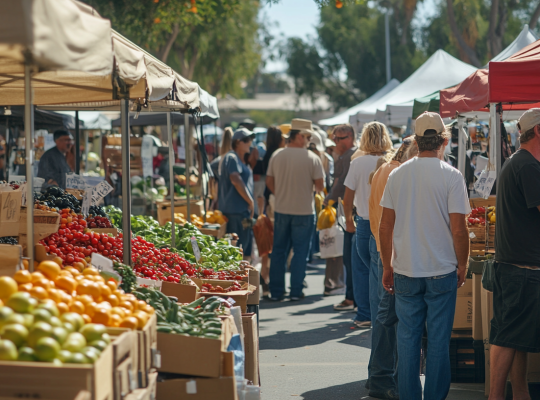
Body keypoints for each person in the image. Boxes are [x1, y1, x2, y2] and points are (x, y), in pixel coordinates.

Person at [379, 112, 470, 400]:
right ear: (443, 140)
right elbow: (459, 229)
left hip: (406, 268)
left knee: (407, 340)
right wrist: (463, 263)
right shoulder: (451, 175)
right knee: (439, 342)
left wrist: (386, 265)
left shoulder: (397, 173)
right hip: (441, 269)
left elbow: (385, 225)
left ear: (417, 141)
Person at [489, 109, 540, 400]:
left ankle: (520, 394)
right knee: (508, 337)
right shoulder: (528, 166)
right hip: (521, 269)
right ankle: (496, 396)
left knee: (515, 336)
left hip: (515, 266)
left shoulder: (516, 162)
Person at [365, 138, 416, 399]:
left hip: (383, 248)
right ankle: (381, 379)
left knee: (387, 317)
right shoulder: (394, 172)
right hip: (390, 252)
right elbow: (390, 222)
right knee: (388, 318)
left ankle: (380, 376)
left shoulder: (384, 169)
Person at [267, 118, 325, 301]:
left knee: (278, 250)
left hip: (282, 208)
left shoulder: (277, 154)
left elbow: (269, 181)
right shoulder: (312, 158)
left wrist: (281, 193)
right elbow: (320, 186)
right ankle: (296, 290)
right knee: (300, 252)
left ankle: (276, 291)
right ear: (299, 136)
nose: (309, 140)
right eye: (307, 136)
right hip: (304, 211)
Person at [344, 122, 393, 328]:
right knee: (378, 271)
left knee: (364, 271)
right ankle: (380, 316)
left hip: (364, 222)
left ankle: (365, 314)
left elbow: (348, 196)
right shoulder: (391, 162)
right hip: (386, 222)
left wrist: (347, 219)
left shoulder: (357, 163)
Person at [320, 124, 357, 305]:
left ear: (349, 137)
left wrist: (328, 200)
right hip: (349, 212)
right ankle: (352, 297)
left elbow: (340, 185)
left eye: (338, 138)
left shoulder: (349, 156)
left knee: (350, 258)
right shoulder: (347, 155)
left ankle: (352, 297)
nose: (335, 142)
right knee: (351, 259)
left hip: (350, 214)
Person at [218, 128, 255, 261]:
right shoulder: (232, 157)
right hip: (235, 213)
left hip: (241, 213)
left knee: (244, 249)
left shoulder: (238, 159)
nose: (249, 143)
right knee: (237, 251)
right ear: (237, 142)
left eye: (250, 140)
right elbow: (235, 179)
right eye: (246, 140)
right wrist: (250, 201)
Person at [259, 127, 286, 297]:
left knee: (267, 243)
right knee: (275, 243)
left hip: (268, 201)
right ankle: (268, 278)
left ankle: (265, 276)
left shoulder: (267, 155)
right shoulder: (278, 155)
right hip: (276, 202)